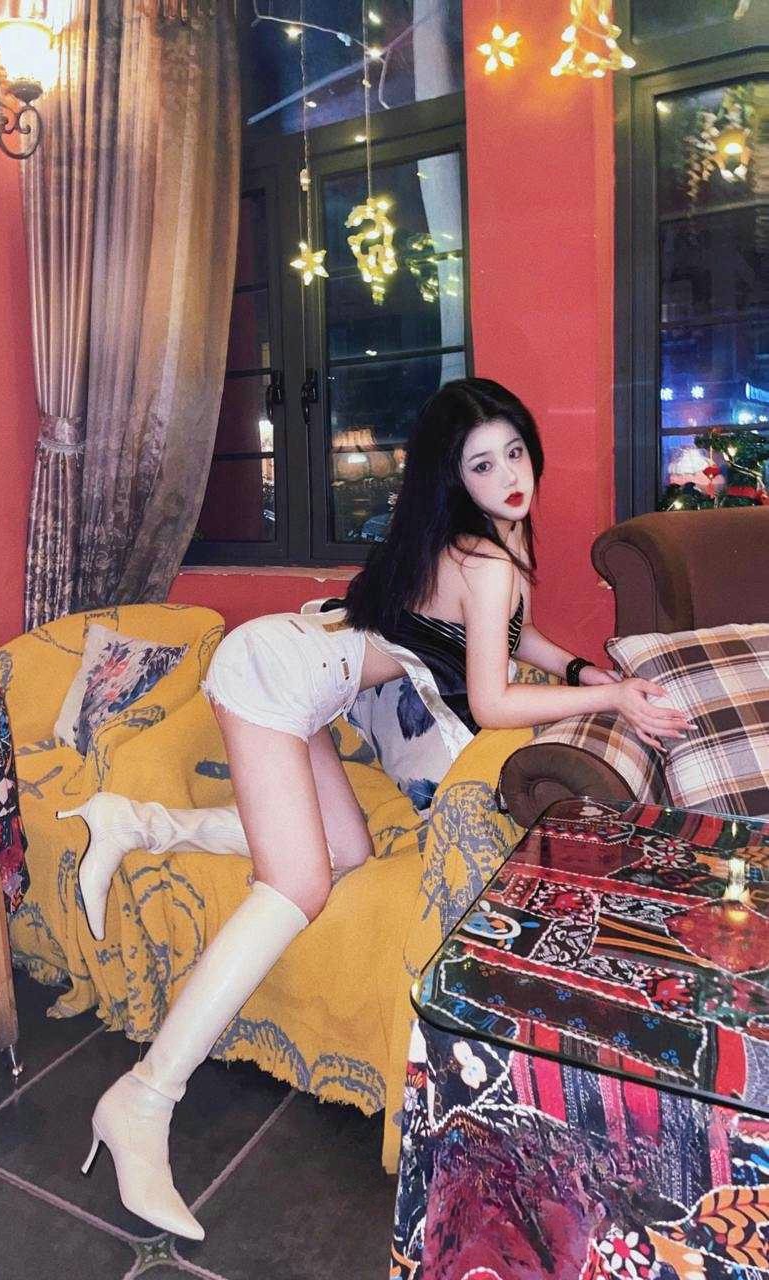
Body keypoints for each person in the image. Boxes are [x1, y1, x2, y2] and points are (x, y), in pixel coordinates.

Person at [58, 377, 692, 1239]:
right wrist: (614, 699)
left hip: (309, 678)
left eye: (513, 452)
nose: (508, 476)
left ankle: (138, 823)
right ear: (451, 475)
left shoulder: (489, 543)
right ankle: (143, 1097)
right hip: (276, 671)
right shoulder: (485, 558)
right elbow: (494, 700)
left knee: (345, 853)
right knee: (296, 886)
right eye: (481, 464)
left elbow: (515, 638)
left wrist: (588, 672)